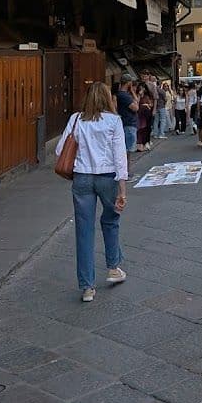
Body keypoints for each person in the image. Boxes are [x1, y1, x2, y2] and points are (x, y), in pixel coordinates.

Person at [55, 82, 127, 302]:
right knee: (111, 219)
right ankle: (113, 267)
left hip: (82, 178)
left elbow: (59, 150)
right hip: (107, 177)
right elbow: (119, 156)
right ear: (107, 98)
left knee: (84, 230)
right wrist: (122, 189)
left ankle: (87, 287)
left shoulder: (77, 119)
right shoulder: (114, 121)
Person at [115, 73, 139, 156]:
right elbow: (135, 108)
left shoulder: (123, 94)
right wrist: (132, 92)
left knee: (127, 151)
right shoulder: (124, 96)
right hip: (128, 123)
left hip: (127, 123)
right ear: (129, 83)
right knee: (128, 151)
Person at [135, 84, 154, 151]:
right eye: (140, 89)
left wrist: (147, 105)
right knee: (140, 129)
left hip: (146, 114)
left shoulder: (147, 96)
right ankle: (140, 144)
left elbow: (151, 104)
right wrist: (139, 96)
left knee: (146, 128)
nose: (141, 90)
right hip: (139, 114)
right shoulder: (137, 96)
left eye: (142, 89)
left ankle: (145, 142)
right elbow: (136, 103)